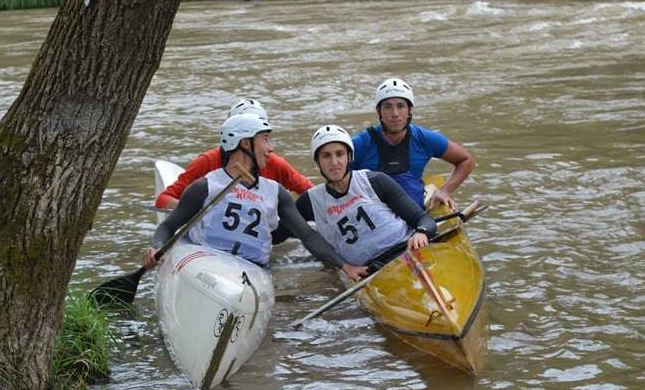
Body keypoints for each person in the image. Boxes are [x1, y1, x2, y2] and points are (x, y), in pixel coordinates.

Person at [142, 114, 368, 281]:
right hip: (208, 266)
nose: (271, 148)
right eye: (266, 140)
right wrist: (157, 248)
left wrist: (344, 265)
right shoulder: (205, 186)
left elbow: (307, 235)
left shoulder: (275, 192)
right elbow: (168, 226)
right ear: (245, 143)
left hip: (254, 271)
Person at [294, 124, 438, 271]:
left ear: (349, 157)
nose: (334, 162)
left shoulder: (375, 181)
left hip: (406, 250)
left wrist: (422, 232)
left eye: (340, 154)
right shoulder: (309, 202)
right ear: (317, 161)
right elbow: (276, 234)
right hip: (367, 271)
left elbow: (424, 219)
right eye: (326, 156)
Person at [154, 98, 313, 210]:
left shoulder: (275, 164)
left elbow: (311, 194)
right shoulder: (206, 162)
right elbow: (163, 199)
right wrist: (198, 212)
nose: (269, 147)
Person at [350, 77, 475, 211]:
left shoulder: (424, 139)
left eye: (401, 106)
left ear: (409, 110)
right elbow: (335, 181)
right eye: (387, 107)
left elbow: (466, 160)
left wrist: (445, 191)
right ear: (378, 111)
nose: (395, 113)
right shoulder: (359, 144)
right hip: (373, 218)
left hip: (414, 218)